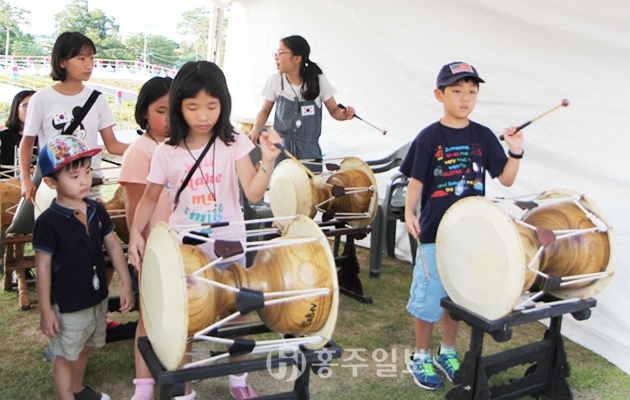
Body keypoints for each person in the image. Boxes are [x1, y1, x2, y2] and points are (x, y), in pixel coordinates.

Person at [127, 61, 282, 400]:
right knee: (186, 323)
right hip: (187, 253)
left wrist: (267, 162)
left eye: (212, 106)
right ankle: (184, 390)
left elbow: (253, 193)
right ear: (179, 106)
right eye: (193, 106)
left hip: (228, 246)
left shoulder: (234, 142)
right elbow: (150, 198)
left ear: (222, 104)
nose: (203, 115)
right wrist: (136, 234)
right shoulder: (166, 152)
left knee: (236, 314)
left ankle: (238, 380)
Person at [401, 62, 523, 390]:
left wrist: (516, 151)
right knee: (429, 300)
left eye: (472, 91)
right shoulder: (429, 137)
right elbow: (415, 182)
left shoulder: (482, 136)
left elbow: (507, 179)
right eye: (457, 91)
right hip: (433, 235)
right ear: (439, 95)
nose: (465, 98)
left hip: (472, 236)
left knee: (458, 300)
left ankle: (448, 352)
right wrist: (409, 212)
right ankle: (421, 355)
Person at [33, 135, 135, 400]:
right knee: (64, 355)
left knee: (86, 346)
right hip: (67, 305)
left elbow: (113, 246)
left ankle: (77, 390)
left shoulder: (96, 209)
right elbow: (42, 268)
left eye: (88, 172)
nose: (84, 180)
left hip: (96, 298)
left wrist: (125, 283)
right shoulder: (47, 223)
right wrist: (46, 311)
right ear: (51, 182)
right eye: (74, 175)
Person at [19, 31, 129, 202]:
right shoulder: (41, 99)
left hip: (88, 185)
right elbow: (26, 144)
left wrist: (147, 149)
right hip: (53, 186)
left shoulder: (97, 100)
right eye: (81, 59)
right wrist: (25, 180)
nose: (89, 65)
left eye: (91, 58)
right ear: (62, 61)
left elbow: (113, 145)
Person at [118, 76, 172, 400]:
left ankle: (173, 374)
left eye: (174, 110)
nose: (169, 118)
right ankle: (143, 387)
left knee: (177, 313)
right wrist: (140, 249)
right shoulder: (140, 152)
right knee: (149, 317)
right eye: (161, 110)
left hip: (181, 246)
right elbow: (133, 213)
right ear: (144, 114)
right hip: (153, 250)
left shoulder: (178, 149)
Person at [248, 35, 355, 168]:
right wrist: (255, 130)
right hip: (281, 150)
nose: (276, 56)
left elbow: (334, 111)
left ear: (297, 58)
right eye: (276, 53)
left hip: (309, 152)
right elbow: (264, 111)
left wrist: (344, 114)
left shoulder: (318, 81)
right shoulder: (275, 81)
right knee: (281, 186)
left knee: (310, 187)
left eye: (281, 52)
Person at [0, 90, 37, 178]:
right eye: (27, 105)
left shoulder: (48, 138)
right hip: (7, 189)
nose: (33, 110)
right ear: (15, 108)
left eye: (37, 106)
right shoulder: (2, 137)